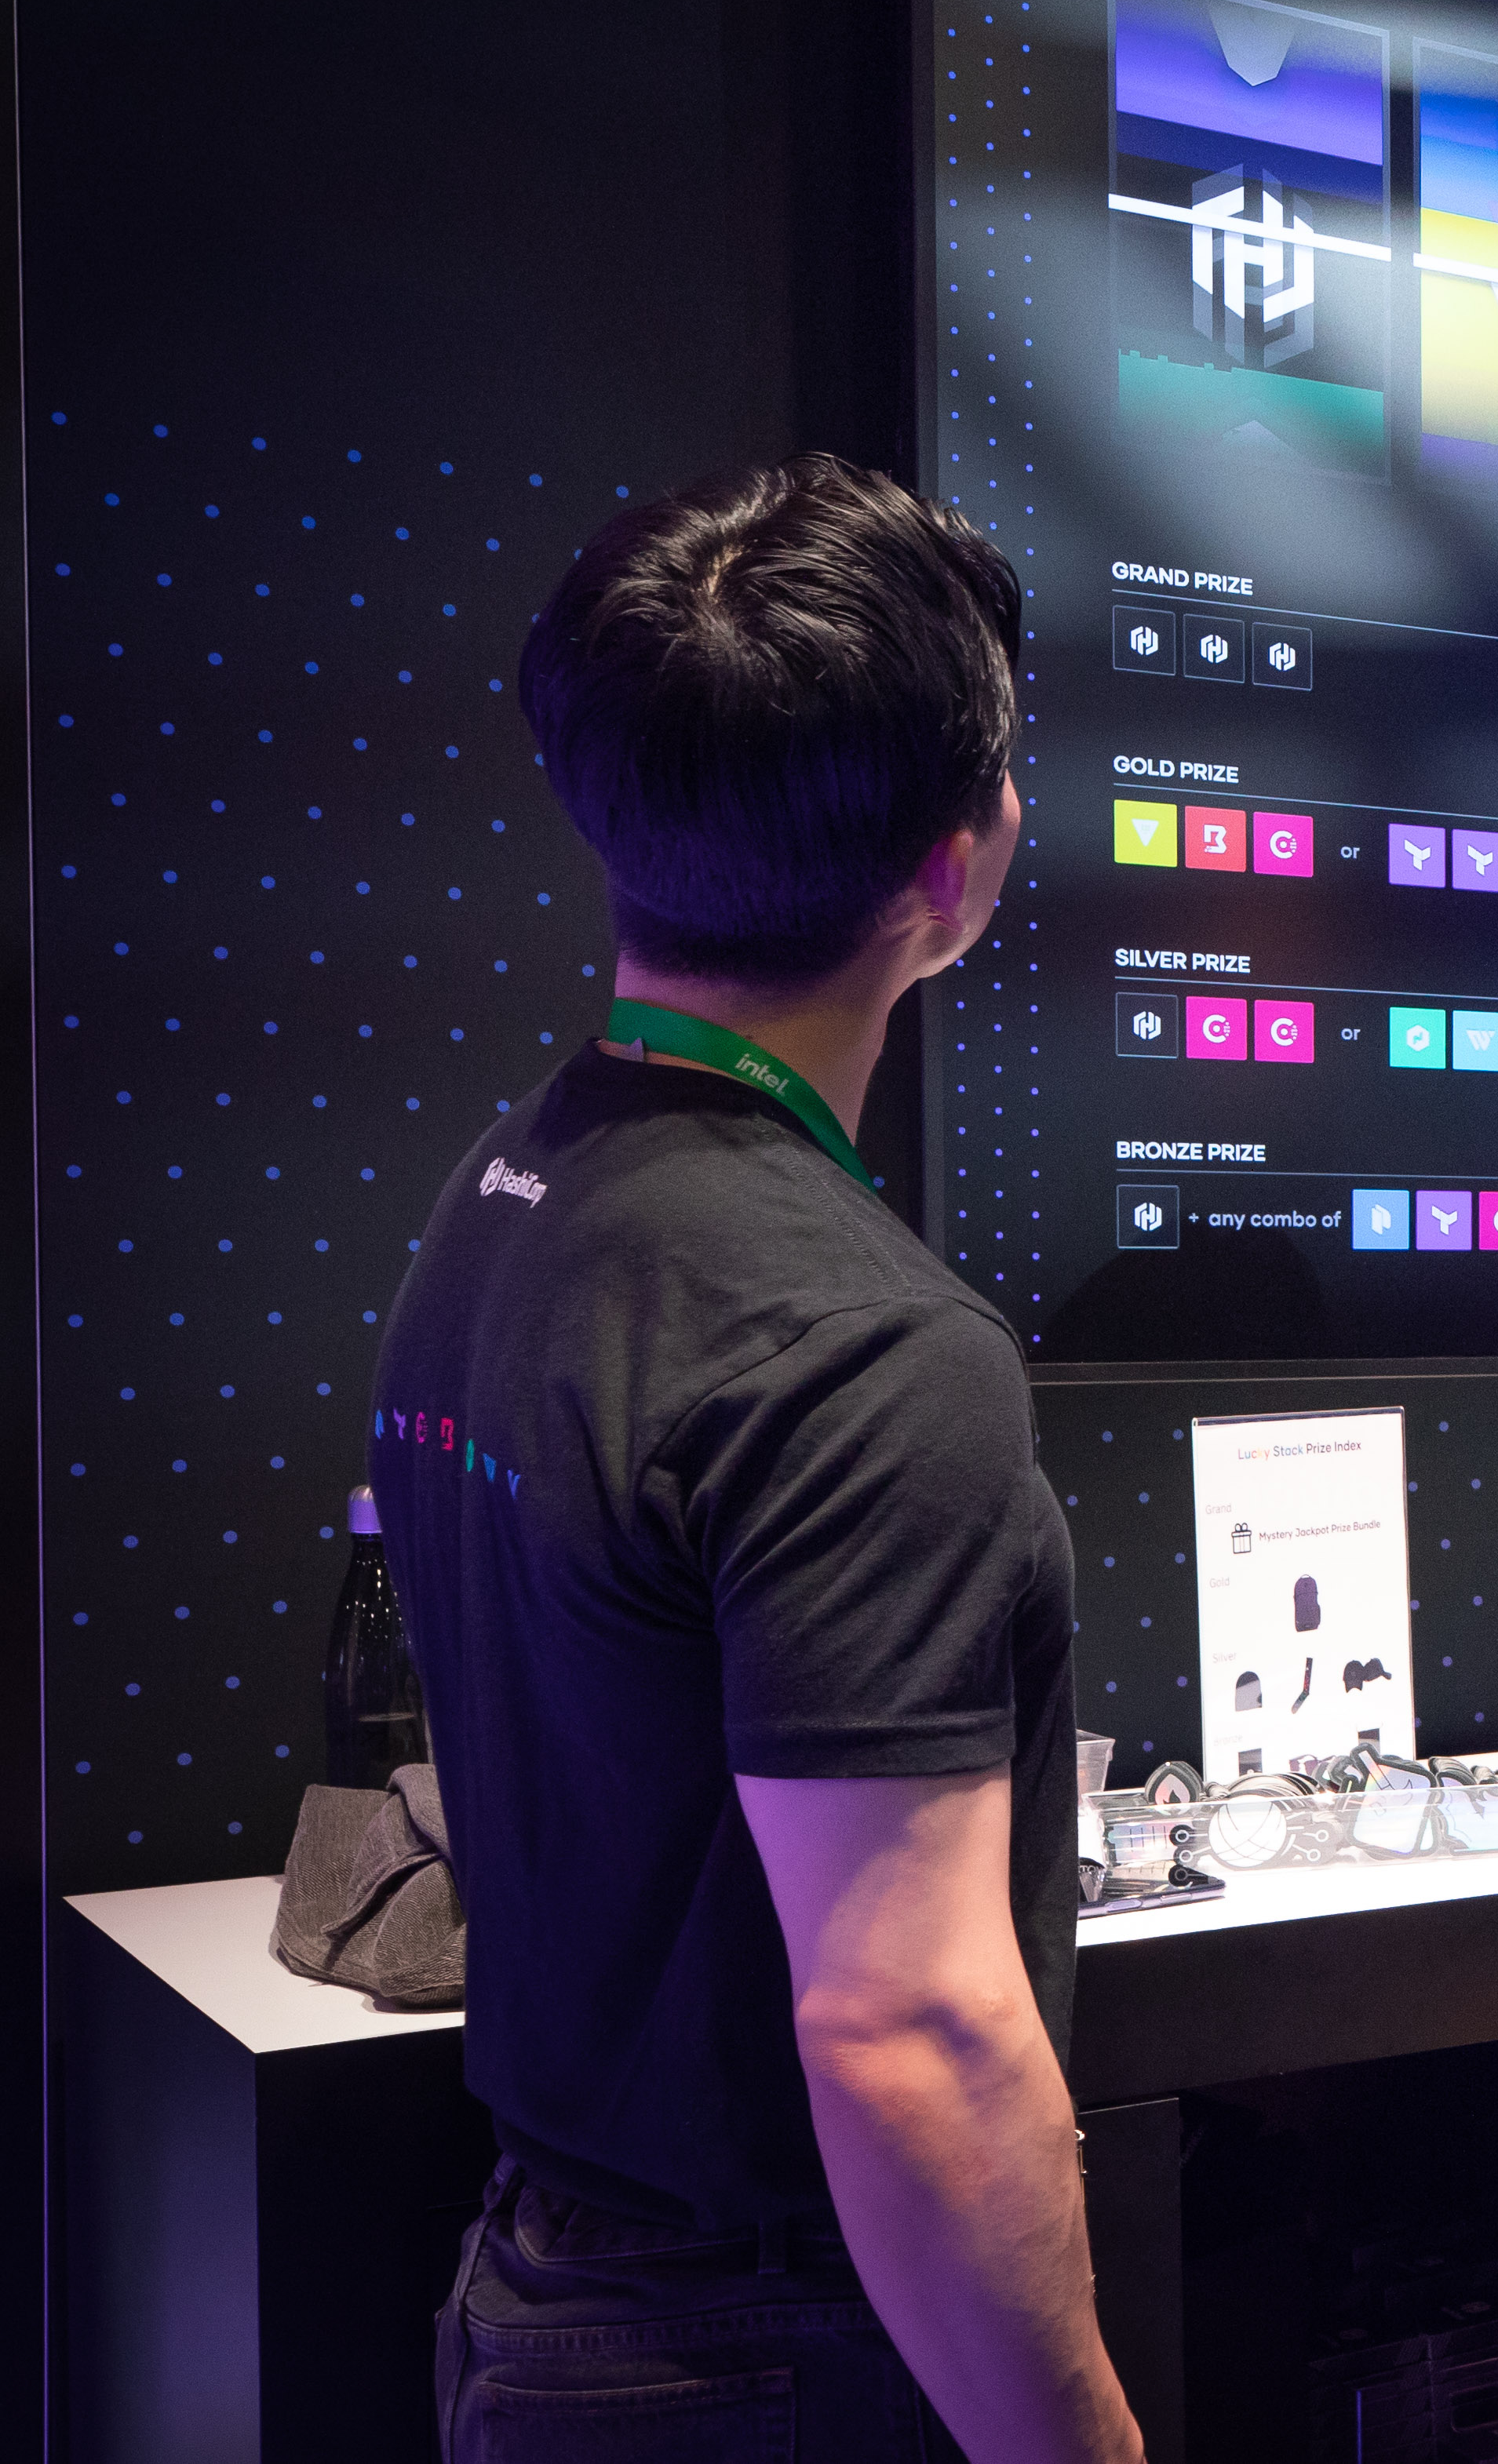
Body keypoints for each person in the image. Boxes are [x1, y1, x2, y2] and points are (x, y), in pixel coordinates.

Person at [377, 456, 1140, 2462]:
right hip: (766, 2355)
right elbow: (909, 2029)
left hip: (546, 2303)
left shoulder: (509, 1188)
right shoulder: (868, 1345)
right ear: (956, 874)